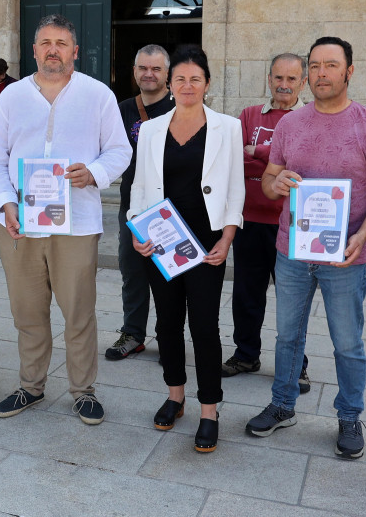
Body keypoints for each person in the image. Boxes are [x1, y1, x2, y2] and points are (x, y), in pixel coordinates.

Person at [245, 36, 366, 461]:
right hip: (292, 251)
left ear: (350, 70)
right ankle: (283, 404)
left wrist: (362, 236)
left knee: (347, 343)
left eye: (331, 65)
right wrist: (279, 183)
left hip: (345, 256)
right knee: (287, 336)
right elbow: (271, 180)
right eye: (315, 66)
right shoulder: (290, 125)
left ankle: (349, 415)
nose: (321, 74)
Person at [0, 14, 131, 425]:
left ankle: (83, 391)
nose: (53, 50)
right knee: (28, 311)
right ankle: (31, 385)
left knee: (78, 312)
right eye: (45, 42)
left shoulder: (97, 94)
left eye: (61, 43)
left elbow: (119, 151)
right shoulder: (10, 97)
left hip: (77, 224)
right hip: (19, 223)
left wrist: (95, 174)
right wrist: (5, 204)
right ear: (33, 51)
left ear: (75, 51)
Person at [129, 46, 245, 453]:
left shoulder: (228, 128)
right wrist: (134, 228)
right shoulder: (152, 129)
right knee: (167, 324)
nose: (187, 85)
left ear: (207, 83)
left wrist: (227, 237)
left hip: (207, 244)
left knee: (205, 327)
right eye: (180, 79)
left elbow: (235, 188)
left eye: (196, 78)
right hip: (162, 243)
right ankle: (175, 395)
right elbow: (140, 185)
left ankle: (209, 410)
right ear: (169, 83)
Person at [223, 53, 312, 392]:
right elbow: (236, 158)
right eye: (278, 78)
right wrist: (273, 157)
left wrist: (258, 153)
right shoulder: (249, 115)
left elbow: (298, 162)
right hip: (250, 220)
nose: (283, 85)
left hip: (290, 225)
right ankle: (246, 354)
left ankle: (295, 366)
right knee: (246, 294)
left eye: (291, 79)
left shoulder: (309, 118)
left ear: (302, 82)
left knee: (293, 299)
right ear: (269, 79)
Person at [105, 44, 175, 361]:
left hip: (172, 208)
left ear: (167, 73)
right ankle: (133, 334)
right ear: (134, 72)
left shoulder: (181, 108)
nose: (149, 74)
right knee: (132, 271)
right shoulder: (122, 110)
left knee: (170, 275)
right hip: (132, 205)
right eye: (143, 68)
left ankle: (168, 336)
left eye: (156, 69)